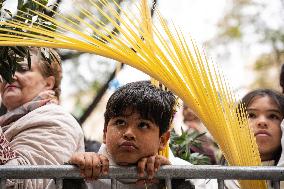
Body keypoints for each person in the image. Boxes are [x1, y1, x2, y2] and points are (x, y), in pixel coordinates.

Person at [69, 81, 200, 189]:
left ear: (163, 140)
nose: (129, 133)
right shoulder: (85, 173)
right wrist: (70, 177)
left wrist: (174, 183)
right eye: (120, 122)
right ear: (105, 133)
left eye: (143, 125)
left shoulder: (190, 175)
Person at [0, 47, 85, 189]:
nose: (10, 76)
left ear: (48, 83)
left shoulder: (57, 119)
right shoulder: (8, 121)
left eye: (22, 69)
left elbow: (23, 183)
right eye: (4, 71)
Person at [213, 89, 284, 189]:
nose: (262, 122)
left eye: (273, 116)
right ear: (236, 125)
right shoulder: (209, 183)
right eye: (251, 115)